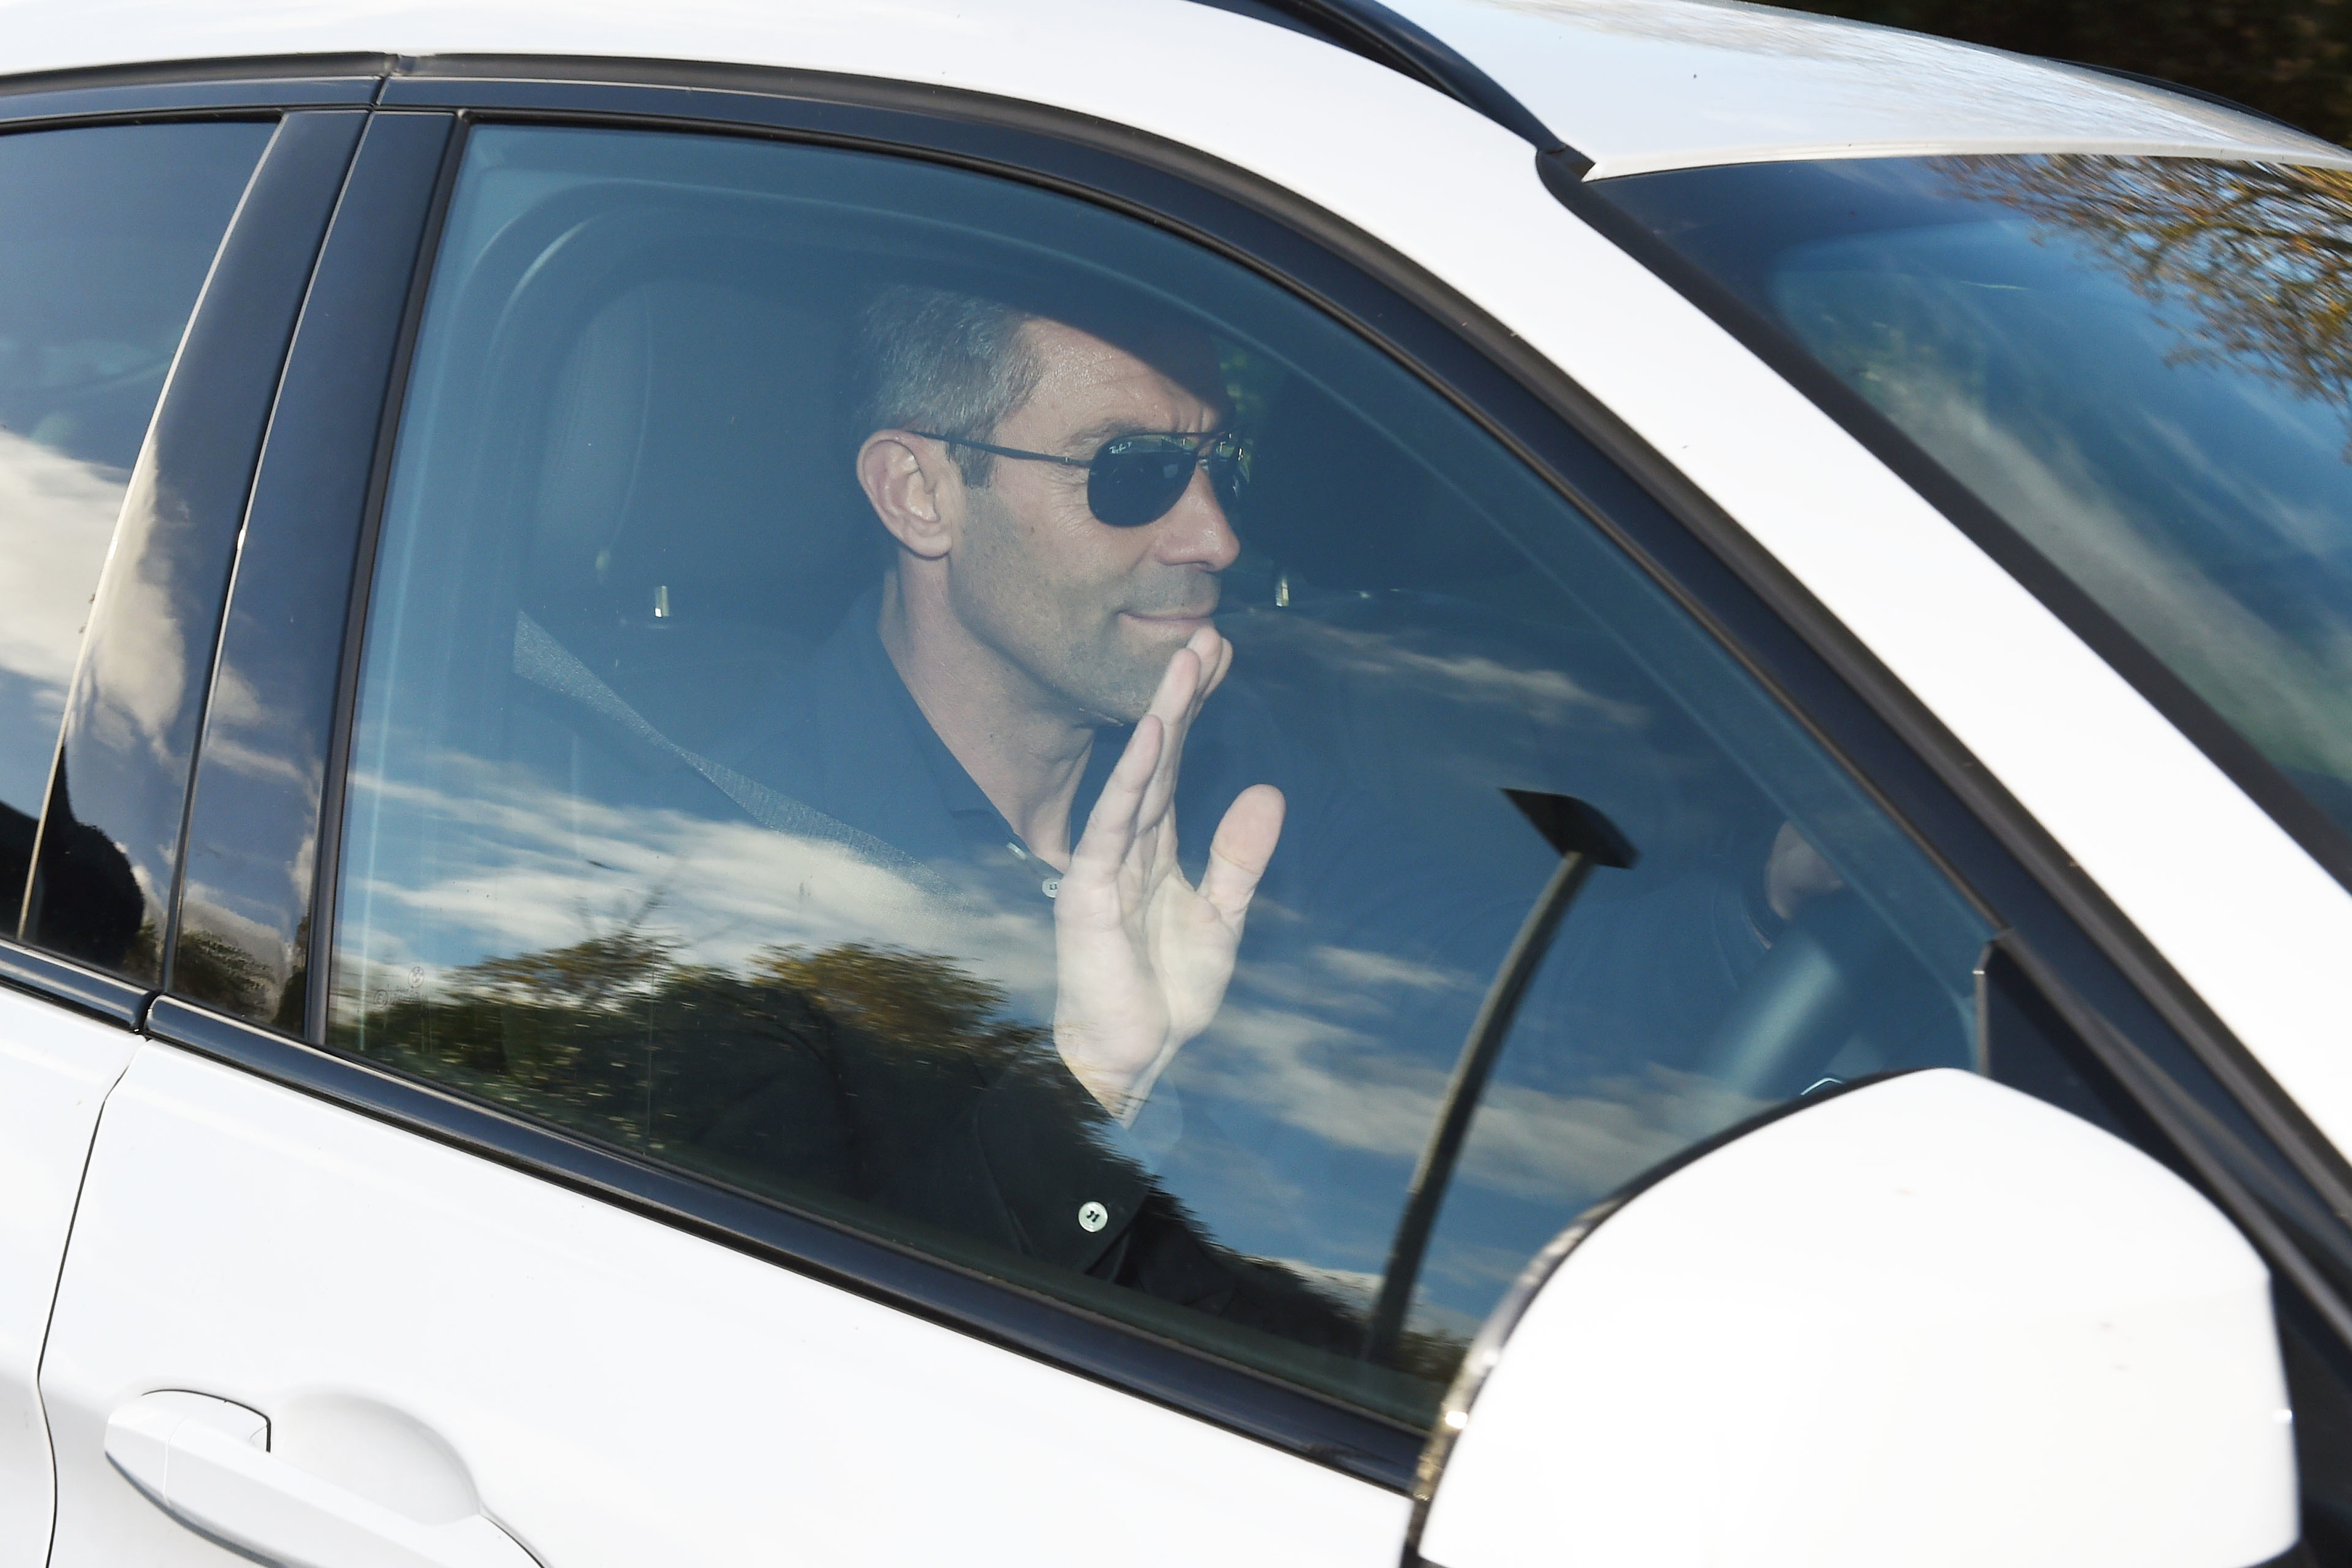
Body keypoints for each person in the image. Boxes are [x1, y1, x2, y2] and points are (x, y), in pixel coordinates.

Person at [709, 283, 1825, 1350]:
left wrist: (1763, 907)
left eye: (1221, 467)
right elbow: (824, 1367)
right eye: (1134, 471)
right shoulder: (750, 879)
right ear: (920, 493)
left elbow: (1496, 995)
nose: (1214, 535)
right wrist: (1091, 1088)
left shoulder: (1220, 767)